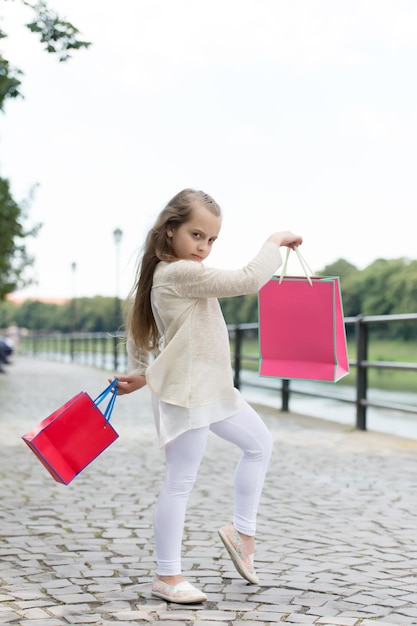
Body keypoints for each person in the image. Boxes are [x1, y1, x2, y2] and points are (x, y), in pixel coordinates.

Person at [112, 188, 303, 604]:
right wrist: (274, 242)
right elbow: (249, 280)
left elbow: (143, 329)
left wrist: (143, 373)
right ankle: (168, 576)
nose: (204, 247)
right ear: (170, 230)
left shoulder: (173, 273)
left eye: (212, 240)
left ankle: (242, 533)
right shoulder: (179, 273)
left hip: (212, 389)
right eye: (197, 235)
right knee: (180, 482)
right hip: (188, 394)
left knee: (259, 445)